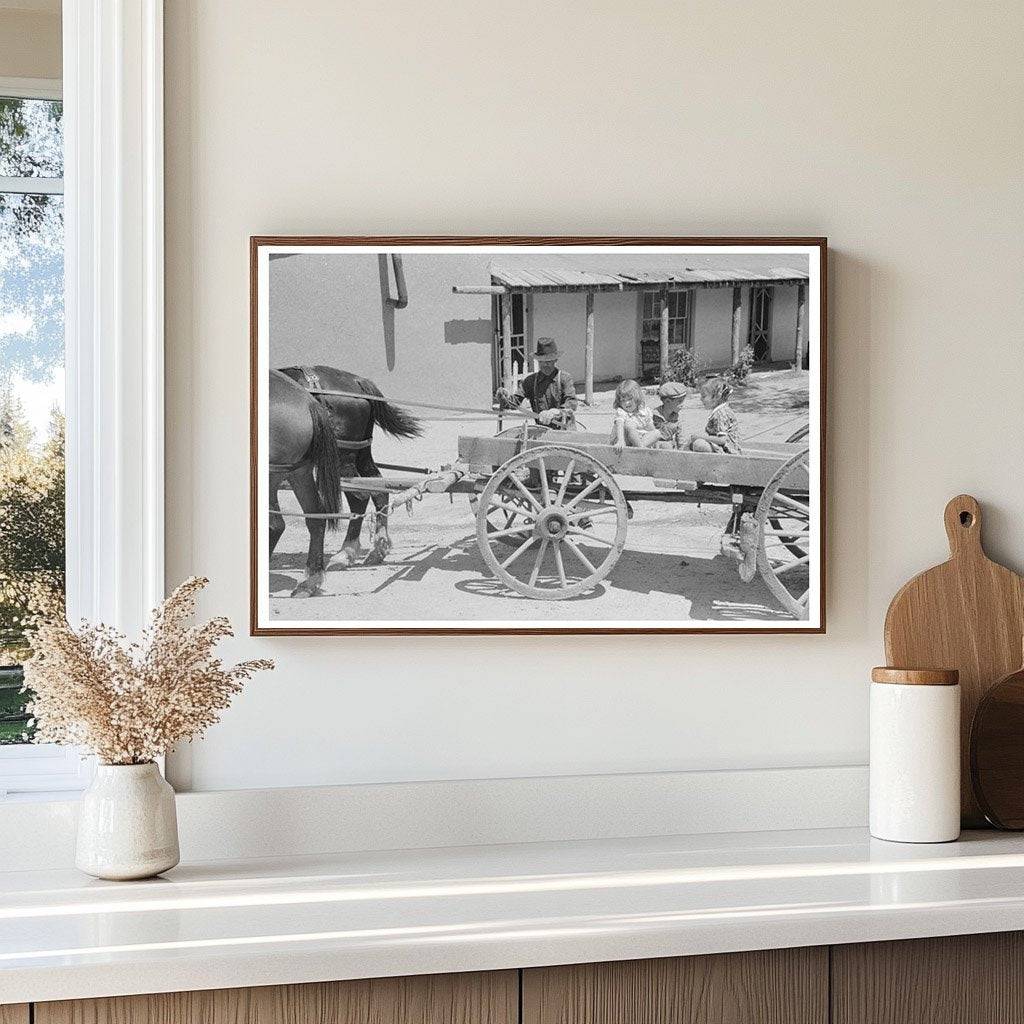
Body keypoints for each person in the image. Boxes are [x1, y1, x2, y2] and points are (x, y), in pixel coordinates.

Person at [494, 337, 577, 428]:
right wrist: (504, 397)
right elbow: (514, 402)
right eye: (542, 361)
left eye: (549, 361)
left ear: (555, 360)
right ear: (538, 361)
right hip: (541, 431)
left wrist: (555, 412)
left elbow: (571, 403)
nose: (545, 364)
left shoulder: (565, 378)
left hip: (565, 431)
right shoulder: (530, 381)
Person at [685, 377, 741, 453]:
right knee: (692, 442)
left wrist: (701, 437)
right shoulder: (722, 409)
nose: (701, 399)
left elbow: (722, 440)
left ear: (716, 397)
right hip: (725, 448)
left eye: (704, 396)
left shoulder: (720, 414)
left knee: (699, 444)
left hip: (727, 451)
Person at [609, 379, 659, 452]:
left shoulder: (644, 411)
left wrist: (656, 446)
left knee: (657, 433)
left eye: (630, 399)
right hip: (625, 440)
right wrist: (620, 441)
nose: (627, 403)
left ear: (637, 398)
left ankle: (640, 447)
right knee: (630, 424)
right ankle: (641, 449)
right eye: (623, 400)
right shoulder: (622, 412)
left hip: (640, 440)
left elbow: (650, 428)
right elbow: (619, 424)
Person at [651, 381, 690, 449]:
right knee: (665, 446)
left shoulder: (677, 418)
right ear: (667, 401)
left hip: (669, 447)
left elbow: (681, 439)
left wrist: (682, 451)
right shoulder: (653, 415)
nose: (682, 405)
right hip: (654, 445)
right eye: (679, 401)